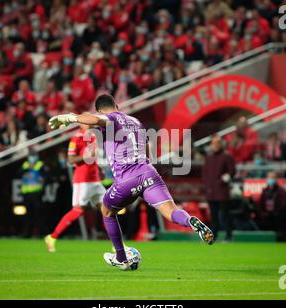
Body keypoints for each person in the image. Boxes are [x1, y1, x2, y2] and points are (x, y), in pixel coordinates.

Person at [48, 94, 214, 270]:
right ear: (117, 105)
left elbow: (94, 119)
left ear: (100, 109)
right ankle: (191, 222)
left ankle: (121, 257)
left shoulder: (111, 118)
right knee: (171, 211)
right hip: (149, 172)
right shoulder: (135, 121)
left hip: (127, 178)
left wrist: (70, 117)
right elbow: (147, 147)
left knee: (106, 211)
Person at [44, 123, 106, 252]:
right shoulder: (76, 138)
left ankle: (117, 246)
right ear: (82, 124)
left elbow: (94, 157)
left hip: (95, 179)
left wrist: (100, 170)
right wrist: (85, 157)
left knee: (108, 210)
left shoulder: (93, 137)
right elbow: (71, 160)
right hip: (82, 181)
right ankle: (52, 237)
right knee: (78, 210)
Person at [203, 135, 236, 241]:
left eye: (217, 143)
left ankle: (229, 236)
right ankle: (214, 236)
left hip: (222, 191)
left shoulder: (227, 156)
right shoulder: (208, 157)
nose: (215, 145)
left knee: (224, 215)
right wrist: (207, 185)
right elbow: (205, 173)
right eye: (213, 143)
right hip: (211, 191)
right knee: (213, 216)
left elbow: (232, 171)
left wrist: (223, 180)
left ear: (221, 144)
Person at [257, 171, 286, 240]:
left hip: (278, 216)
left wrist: (276, 212)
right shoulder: (265, 191)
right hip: (266, 216)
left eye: (273, 177)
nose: (271, 179)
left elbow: (283, 205)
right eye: (269, 177)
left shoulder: (281, 192)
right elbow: (261, 205)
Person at [20, 150, 46, 238]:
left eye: (33, 155)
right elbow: (18, 174)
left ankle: (40, 233)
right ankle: (27, 233)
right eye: (31, 156)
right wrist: (27, 169)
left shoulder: (40, 165)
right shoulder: (25, 165)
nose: (32, 158)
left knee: (38, 214)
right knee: (27, 215)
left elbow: (46, 176)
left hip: (37, 193)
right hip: (26, 193)